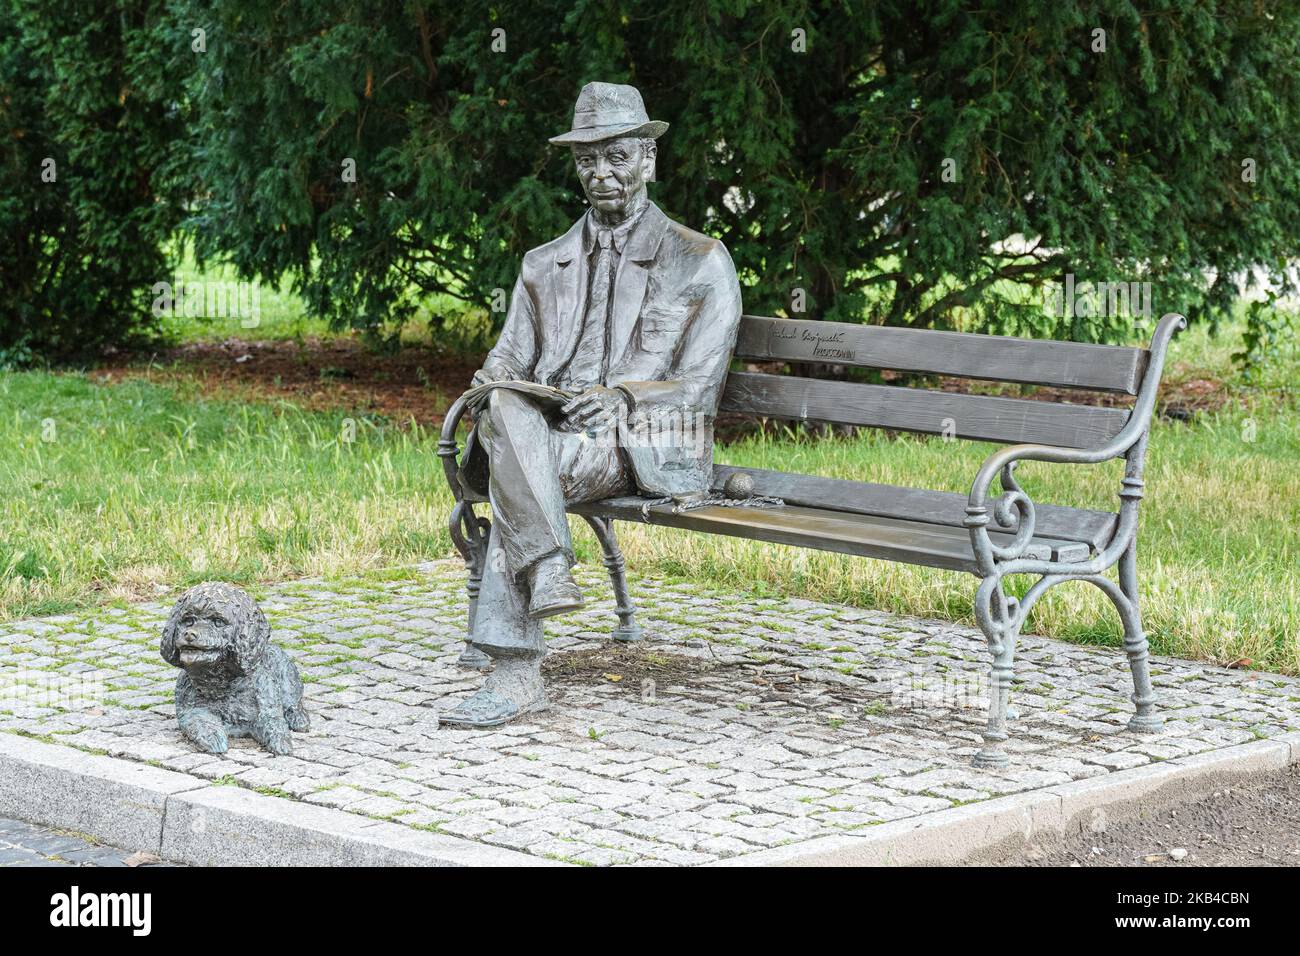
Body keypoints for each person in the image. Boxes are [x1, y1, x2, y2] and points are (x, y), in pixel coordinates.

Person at [444, 82, 741, 727]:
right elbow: (502, 367)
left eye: (618, 158)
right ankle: (550, 565)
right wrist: (497, 386)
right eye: (587, 161)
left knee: (518, 464)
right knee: (507, 416)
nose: (601, 174)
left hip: (646, 438)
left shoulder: (700, 261)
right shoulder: (541, 263)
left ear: (649, 162)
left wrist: (621, 398)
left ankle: (515, 668)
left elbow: (700, 387)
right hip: (550, 434)